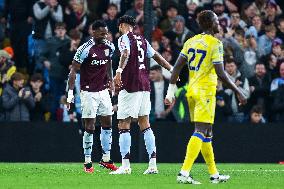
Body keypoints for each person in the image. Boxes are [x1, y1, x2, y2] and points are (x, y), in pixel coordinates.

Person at [165, 10, 247, 184]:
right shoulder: (215, 44)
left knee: (207, 132)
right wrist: (238, 91)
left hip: (192, 91)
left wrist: (170, 91)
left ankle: (214, 174)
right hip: (205, 93)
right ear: (210, 23)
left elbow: (177, 67)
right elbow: (221, 73)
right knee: (200, 131)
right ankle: (184, 173)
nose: (219, 24)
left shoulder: (190, 41)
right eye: (217, 21)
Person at [111, 15, 173, 175]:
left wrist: (118, 71)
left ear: (122, 25)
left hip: (130, 84)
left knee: (123, 124)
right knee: (144, 123)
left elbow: (124, 53)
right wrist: (171, 69)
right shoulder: (143, 39)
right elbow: (157, 56)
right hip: (145, 85)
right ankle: (153, 165)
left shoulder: (124, 38)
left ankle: (125, 166)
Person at [66, 20, 117, 173]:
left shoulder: (110, 46)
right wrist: (70, 93)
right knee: (90, 126)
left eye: (106, 33)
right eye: (102, 33)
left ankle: (106, 159)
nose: (105, 36)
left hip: (103, 91)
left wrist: (111, 81)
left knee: (108, 122)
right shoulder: (84, 49)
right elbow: (73, 71)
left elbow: (108, 64)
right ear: (93, 32)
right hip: (88, 92)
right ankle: (87, 162)